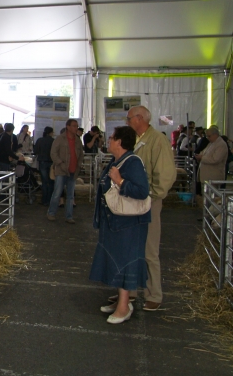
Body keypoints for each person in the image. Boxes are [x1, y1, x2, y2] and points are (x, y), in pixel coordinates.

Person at [90, 126, 151, 324]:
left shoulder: (132, 162)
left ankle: (124, 306)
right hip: (115, 221)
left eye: (112, 138)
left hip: (128, 224)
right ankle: (121, 303)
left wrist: (121, 181)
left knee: (124, 261)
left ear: (120, 142)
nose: (109, 140)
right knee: (116, 260)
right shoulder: (116, 161)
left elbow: (142, 191)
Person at [124, 105, 176, 311]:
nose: (127, 122)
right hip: (132, 200)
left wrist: (153, 195)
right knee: (132, 246)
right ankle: (131, 290)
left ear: (139, 118)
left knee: (150, 249)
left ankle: (154, 293)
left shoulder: (157, 141)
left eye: (129, 118)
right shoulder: (136, 140)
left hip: (148, 201)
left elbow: (165, 174)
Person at [47, 118, 84, 223]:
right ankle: (51, 213)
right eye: (74, 126)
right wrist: (60, 163)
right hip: (61, 171)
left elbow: (81, 154)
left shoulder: (77, 140)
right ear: (68, 127)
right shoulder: (60, 139)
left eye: (76, 126)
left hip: (73, 171)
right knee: (57, 193)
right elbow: (53, 153)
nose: (76, 128)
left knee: (71, 195)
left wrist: (79, 164)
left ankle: (69, 216)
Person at [34, 126, 55, 205]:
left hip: (42, 162)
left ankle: (44, 200)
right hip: (51, 162)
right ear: (50, 133)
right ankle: (50, 200)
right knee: (51, 181)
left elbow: (35, 151)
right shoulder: (53, 141)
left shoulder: (40, 140)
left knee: (44, 182)